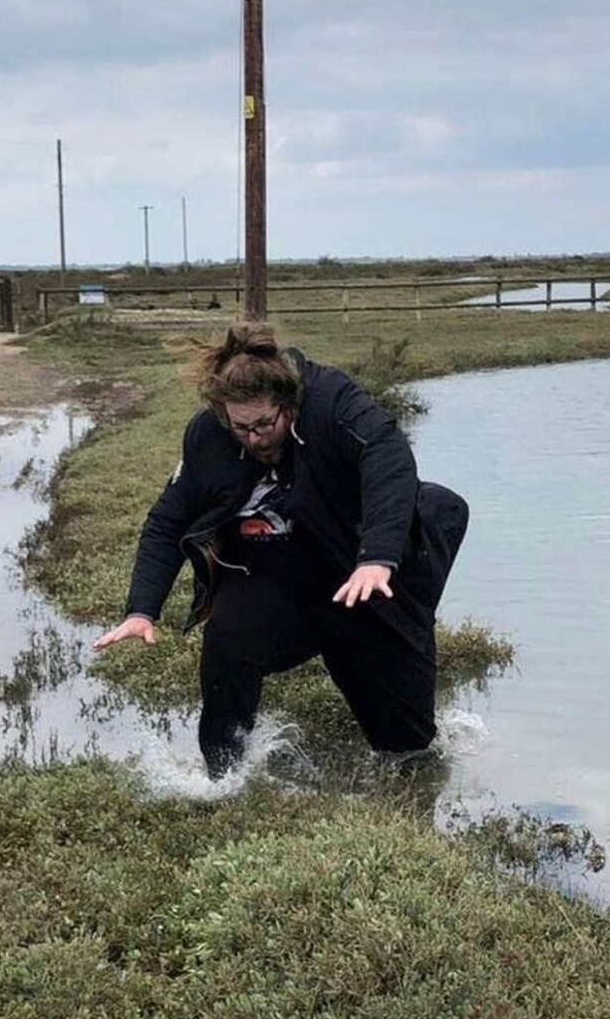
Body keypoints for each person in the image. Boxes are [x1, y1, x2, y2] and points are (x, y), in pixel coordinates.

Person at [93, 322, 468, 778]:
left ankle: (383, 666)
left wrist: (378, 558)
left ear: (288, 406)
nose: (254, 439)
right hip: (274, 578)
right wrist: (142, 610)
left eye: (265, 425)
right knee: (227, 642)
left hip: (358, 578)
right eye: (241, 428)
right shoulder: (208, 437)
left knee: (406, 748)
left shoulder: (332, 400)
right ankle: (224, 777)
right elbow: (166, 521)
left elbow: (387, 457)